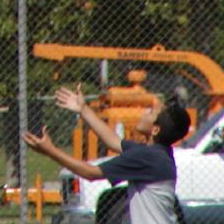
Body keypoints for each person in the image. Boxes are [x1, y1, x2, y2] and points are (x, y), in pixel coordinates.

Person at [23, 83, 191, 224]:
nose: (144, 113)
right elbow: (113, 141)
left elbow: (90, 173)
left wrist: (50, 150)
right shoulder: (156, 154)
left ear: (155, 129)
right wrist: (83, 109)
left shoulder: (147, 157)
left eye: (151, 113)